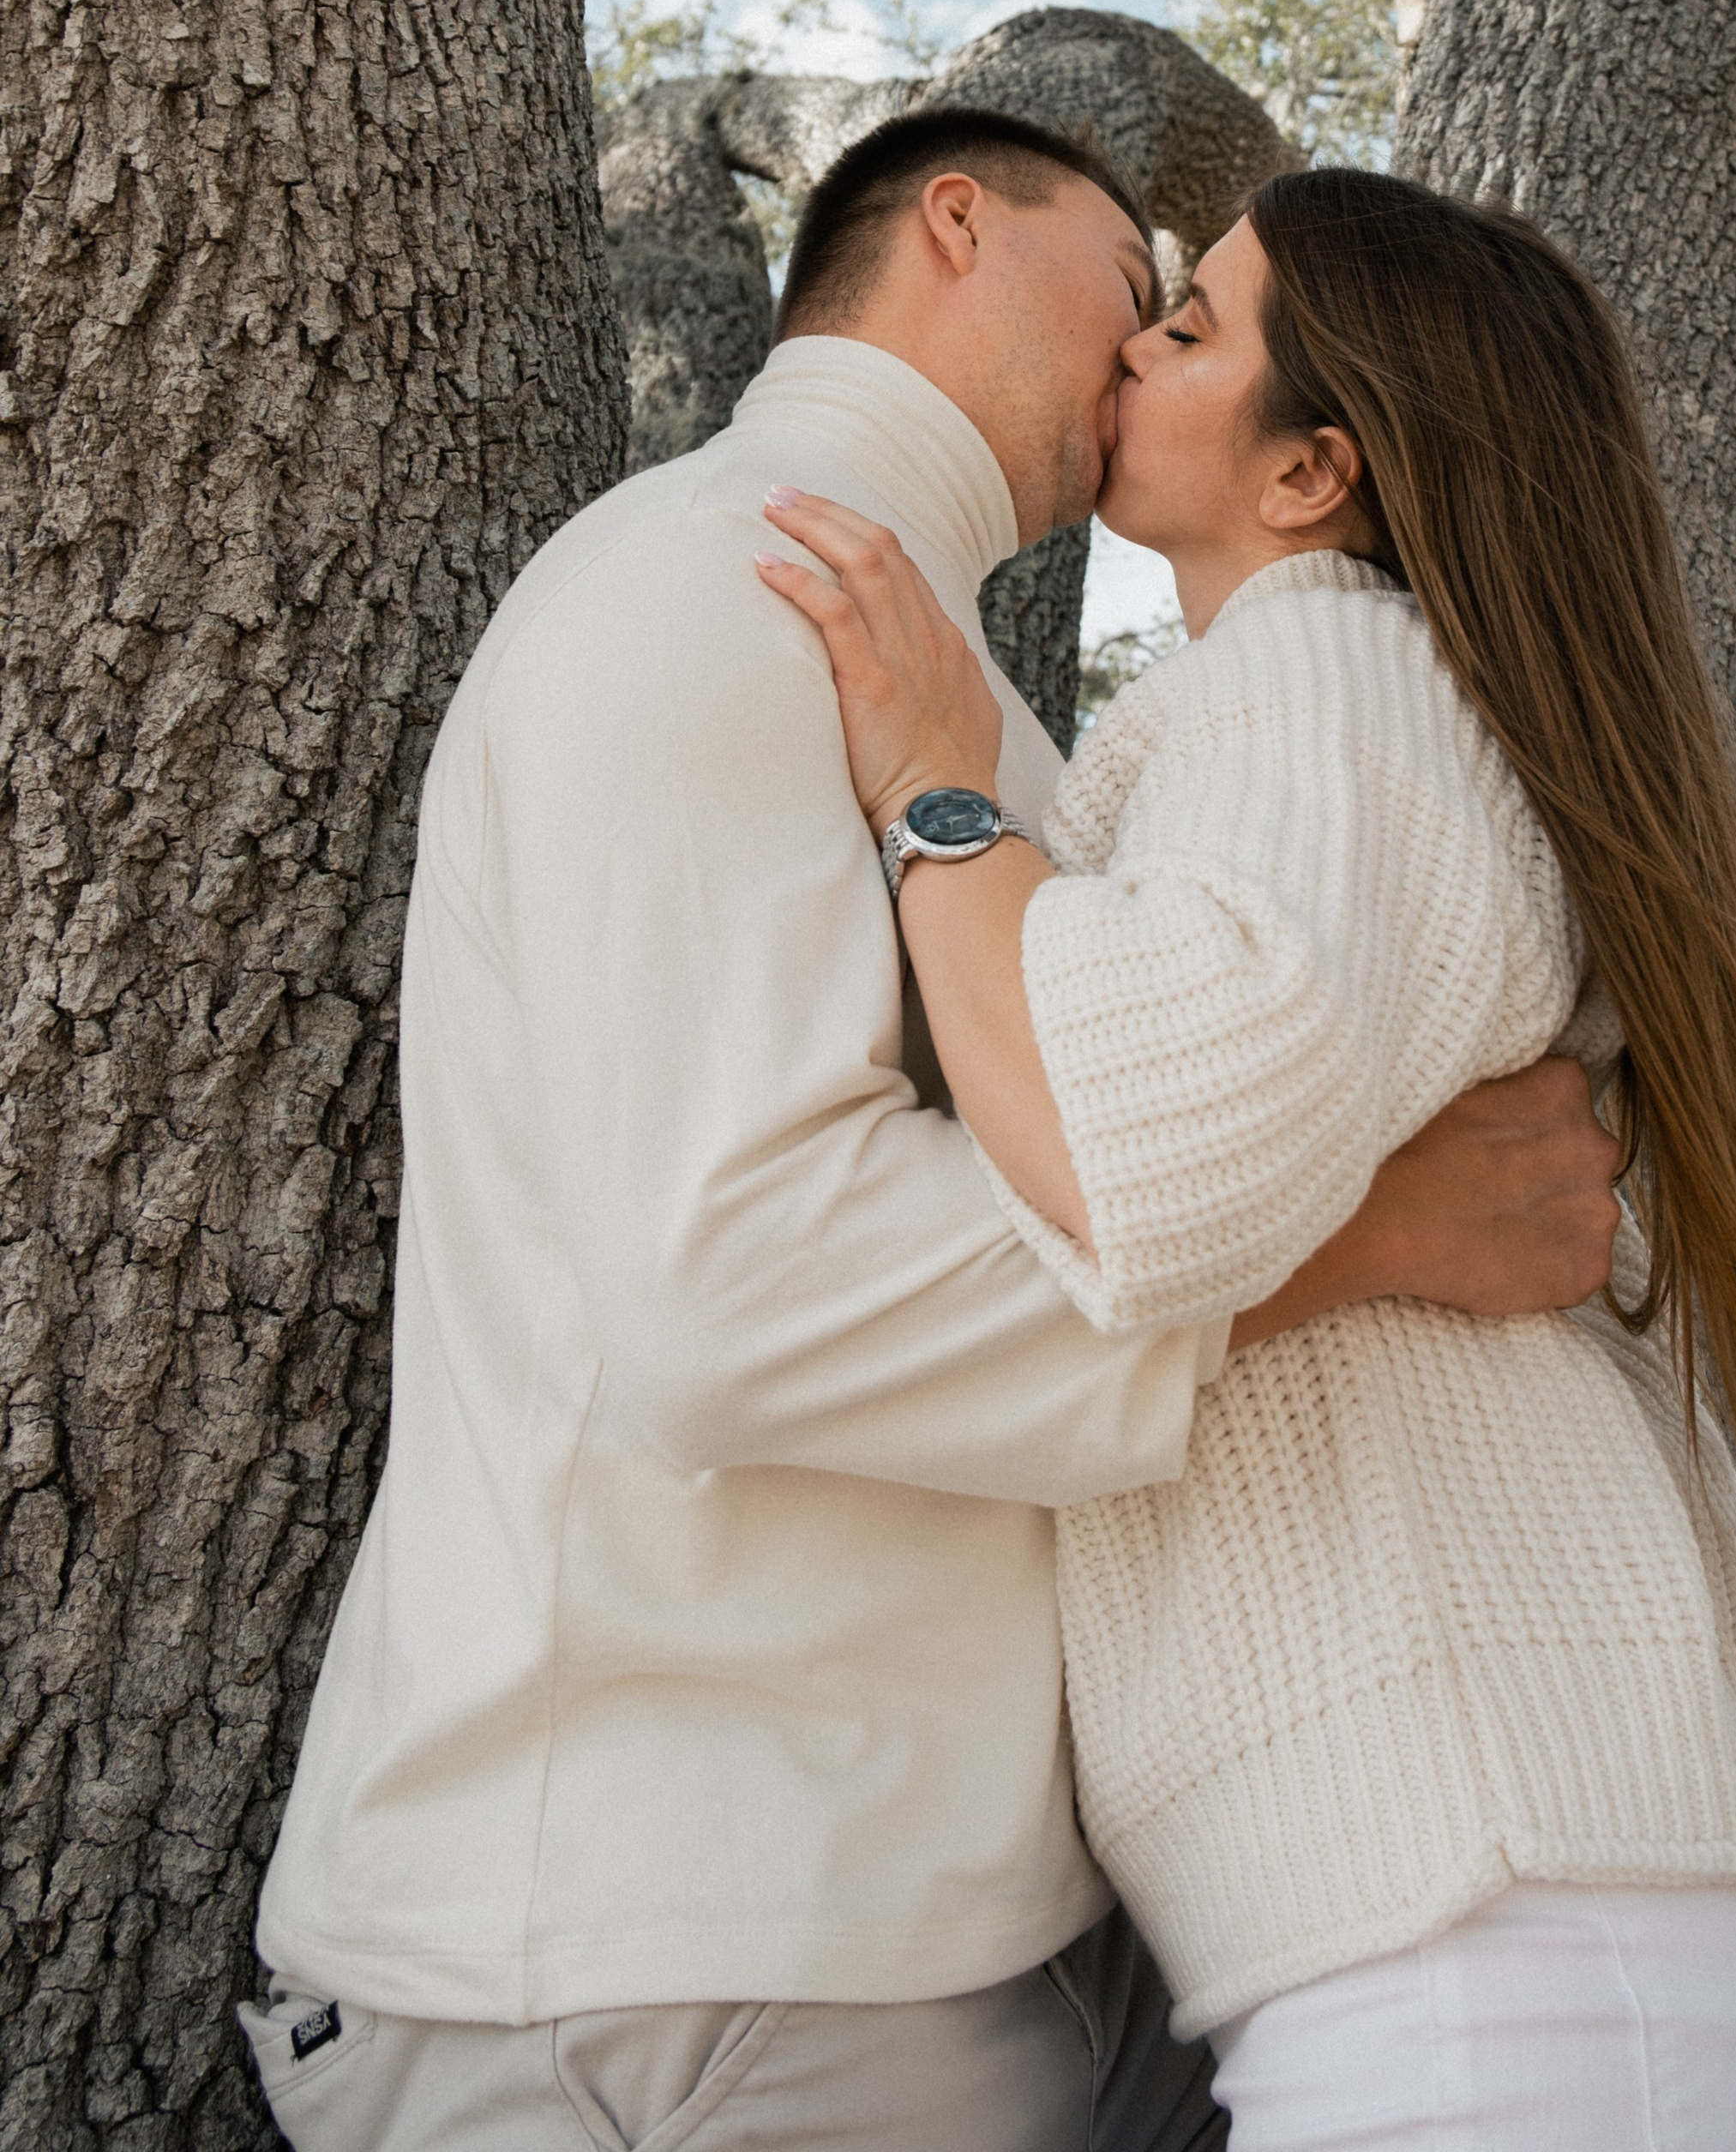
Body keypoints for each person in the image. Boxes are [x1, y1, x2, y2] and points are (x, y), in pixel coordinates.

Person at [242, 111, 1625, 2152]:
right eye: (1137, 279)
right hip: (684, 1948)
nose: (1153, 336)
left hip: (909, 1929)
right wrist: (1373, 1230)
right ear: (960, 224)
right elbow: (740, 1285)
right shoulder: (726, 577)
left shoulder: (942, 681)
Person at [760, 164, 1736, 2152]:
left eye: (1189, 329)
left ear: (1309, 479)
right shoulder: (1366, 711)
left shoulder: (1318, 672)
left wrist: (938, 798)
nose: (1132, 339)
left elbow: (1143, 1148)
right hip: (1517, 1933)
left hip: (1502, 1957)